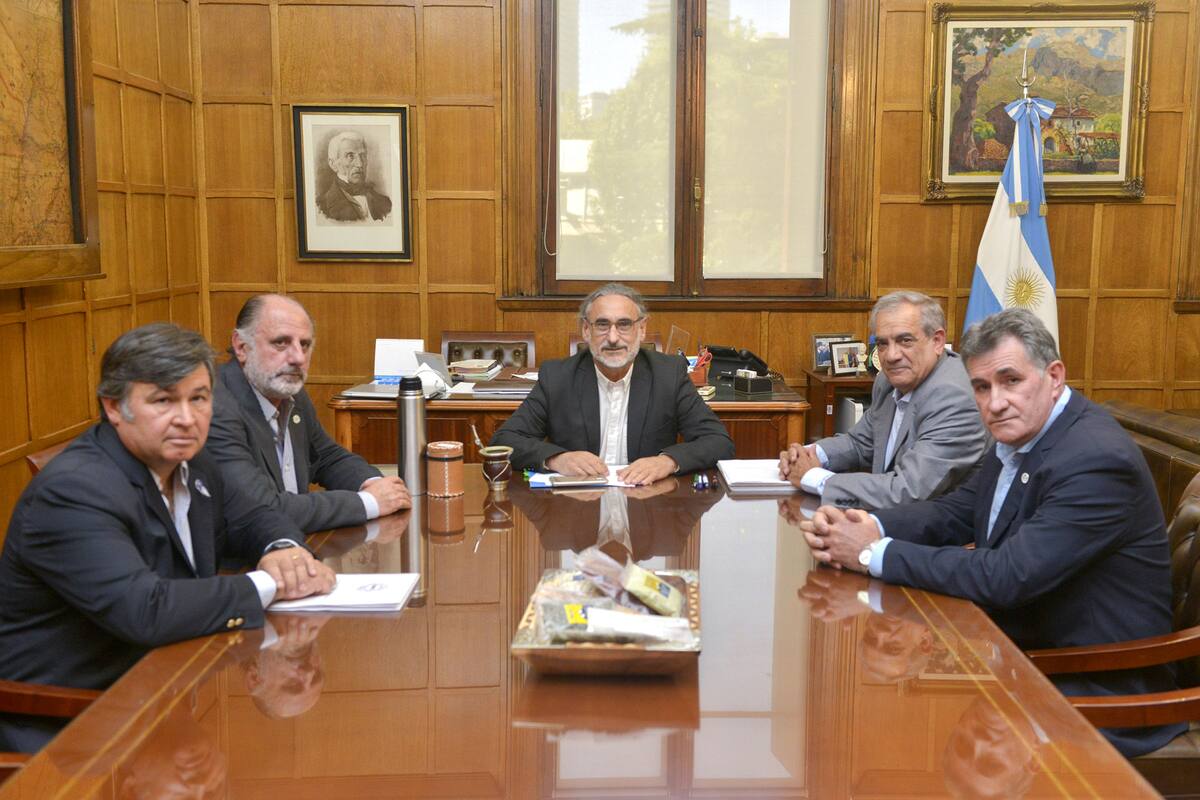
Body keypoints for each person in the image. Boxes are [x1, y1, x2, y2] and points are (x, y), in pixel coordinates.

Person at [800, 308, 1183, 756]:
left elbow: (1006, 576)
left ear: (1054, 376)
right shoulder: (1027, 433)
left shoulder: (1094, 459)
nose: (995, 402)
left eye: (1011, 380)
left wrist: (871, 553)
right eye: (981, 387)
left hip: (1093, 687)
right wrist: (869, 525)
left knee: (890, 733)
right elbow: (958, 511)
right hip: (1023, 654)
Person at [0, 323, 336, 753]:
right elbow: (147, 610)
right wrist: (273, 584)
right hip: (70, 729)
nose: (187, 418)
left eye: (198, 398)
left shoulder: (193, 462)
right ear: (114, 407)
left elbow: (256, 515)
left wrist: (283, 550)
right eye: (163, 400)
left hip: (164, 694)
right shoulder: (74, 491)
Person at [490, 283, 734, 484]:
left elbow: (718, 441)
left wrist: (667, 462)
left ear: (642, 329)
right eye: (602, 325)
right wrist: (556, 459)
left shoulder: (668, 374)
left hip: (647, 505)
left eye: (624, 324)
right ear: (586, 330)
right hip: (577, 507)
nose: (613, 338)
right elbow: (505, 440)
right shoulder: (558, 377)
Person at [207, 294, 411, 532]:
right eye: (280, 343)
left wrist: (375, 484)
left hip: (296, 542)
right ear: (241, 346)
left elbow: (327, 457)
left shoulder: (289, 392)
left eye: (304, 344)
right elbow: (262, 509)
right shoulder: (216, 407)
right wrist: (369, 502)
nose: (298, 358)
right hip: (246, 551)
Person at [780, 291, 988, 510]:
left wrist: (813, 477)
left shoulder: (954, 397)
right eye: (882, 344)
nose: (891, 356)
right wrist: (807, 454)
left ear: (937, 341)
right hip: (891, 519)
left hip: (939, 526)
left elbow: (907, 490)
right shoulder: (887, 381)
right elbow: (860, 443)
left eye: (905, 341)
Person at [316, 131, 392, 222]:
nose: (360, 164)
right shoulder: (321, 208)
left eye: (362, 156)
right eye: (350, 156)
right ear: (333, 164)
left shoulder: (385, 203)